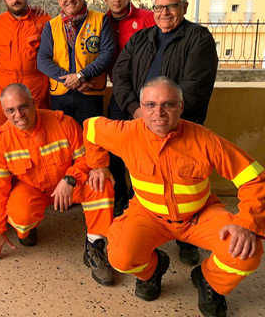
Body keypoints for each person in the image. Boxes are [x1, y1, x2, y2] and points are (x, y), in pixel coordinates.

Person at [84, 77, 264, 317]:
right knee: (120, 256)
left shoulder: (205, 140)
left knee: (247, 253)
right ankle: (153, 270)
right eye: (150, 105)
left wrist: (247, 224)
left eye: (168, 104)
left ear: (181, 106)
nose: (158, 112)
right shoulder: (126, 133)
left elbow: (253, 177)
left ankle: (209, 280)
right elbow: (91, 128)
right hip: (148, 214)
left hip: (200, 216)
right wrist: (98, 165)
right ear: (140, 106)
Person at [112, 0, 219, 266]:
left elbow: (194, 89)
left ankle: (187, 239)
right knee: (145, 184)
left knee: (184, 185)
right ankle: (148, 241)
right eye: (158, 6)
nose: (164, 12)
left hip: (180, 128)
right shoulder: (142, 38)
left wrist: (161, 117)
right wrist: (136, 111)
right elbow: (120, 76)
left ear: (183, 7)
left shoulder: (199, 39)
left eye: (170, 6)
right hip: (141, 127)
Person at [0, 83, 115, 286]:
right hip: (33, 189)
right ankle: (27, 231)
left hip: (68, 185)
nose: (18, 115)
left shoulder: (63, 123)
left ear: (34, 103)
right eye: (10, 110)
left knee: (100, 183)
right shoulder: (1, 140)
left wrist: (70, 178)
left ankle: (94, 247)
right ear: (4, 112)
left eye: (23, 107)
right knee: (20, 213)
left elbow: (85, 159)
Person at [102, 0, 155, 217]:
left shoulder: (146, 19)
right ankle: (120, 195)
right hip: (119, 92)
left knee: (143, 150)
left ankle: (141, 198)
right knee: (114, 147)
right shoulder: (103, 22)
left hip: (145, 94)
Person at [37, 0, 114, 126]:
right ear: (59, 0)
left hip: (90, 94)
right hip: (61, 97)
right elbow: (42, 61)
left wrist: (82, 76)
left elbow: (107, 54)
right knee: (64, 142)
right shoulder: (51, 26)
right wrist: (70, 81)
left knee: (91, 141)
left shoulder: (100, 20)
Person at [0, 0, 51, 127]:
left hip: (34, 95)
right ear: (4, 0)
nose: (15, 0)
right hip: (2, 97)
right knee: (3, 140)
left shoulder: (44, 21)